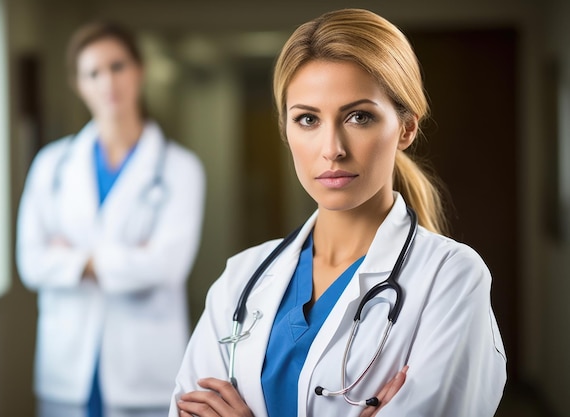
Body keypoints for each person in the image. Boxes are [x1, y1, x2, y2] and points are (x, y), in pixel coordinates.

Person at [169, 8, 506, 417]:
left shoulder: (450, 278)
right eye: (307, 119)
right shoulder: (240, 280)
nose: (332, 148)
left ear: (406, 128)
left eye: (358, 116)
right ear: (286, 130)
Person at [16, 21, 206, 417]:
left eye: (117, 66)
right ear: (78, 84)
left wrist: (77, 259)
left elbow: (167, 266)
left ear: (140, 70)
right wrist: (126, 259)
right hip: (66, 371)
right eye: (93, 73)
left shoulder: (180, 169)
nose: (107, 82)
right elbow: (32, 263)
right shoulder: (52, 165)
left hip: (145, 373)